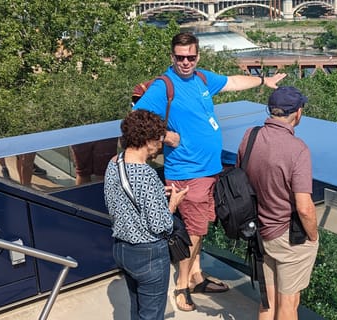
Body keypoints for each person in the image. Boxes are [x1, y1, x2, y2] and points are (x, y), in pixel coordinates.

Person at [133, 31, 287, 312]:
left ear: (197, 56)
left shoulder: (202, 78)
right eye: (180, 57)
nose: (186, 62)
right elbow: (135, 118)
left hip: (208, 170)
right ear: (172, 57)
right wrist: (167, 137)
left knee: (200, 227)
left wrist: (265, 81)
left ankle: (196, 275)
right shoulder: (163, 86)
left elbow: (233, 82)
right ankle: (182, 286)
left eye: (191, 56)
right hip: (187, 172)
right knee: (193, 230)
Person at [237, 87, 318, 320]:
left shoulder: (250, 136)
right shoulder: (298, 149)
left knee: (268, 302)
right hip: (287, 237)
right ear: (298, 113)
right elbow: (304, 206)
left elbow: (240, 178)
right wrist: (313, 237)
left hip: (259, 231)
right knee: (288, 305)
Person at [103, 110, 189, 320]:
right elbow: (161, 225)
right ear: (147, 140)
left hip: (122, 248)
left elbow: (118, 200)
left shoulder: (115, 162)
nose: (160, 145)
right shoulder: (146, 173)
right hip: (148, 254)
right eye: (159, 140)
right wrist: (173, 204)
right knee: (151, 315)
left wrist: (158, 194)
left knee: (137, 309)